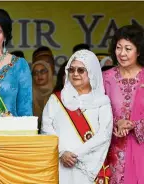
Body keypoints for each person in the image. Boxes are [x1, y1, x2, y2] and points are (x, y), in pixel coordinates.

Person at [42, 50, 113, 184]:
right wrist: (62, 152)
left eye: (81, 70)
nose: (75, 74)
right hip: (61, 164)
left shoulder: (102, 102)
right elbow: (46, 129)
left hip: (89, 167)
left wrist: (75, 155)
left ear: (91, 72)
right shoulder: (56, 99)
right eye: (71, 69)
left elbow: (104, 135)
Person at [103, 24, 144, 184]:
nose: (122, 53)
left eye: (128, 48)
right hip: (113, 153)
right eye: (118, 48)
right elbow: (95, 114)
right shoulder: (106, 78)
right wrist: (115, 123)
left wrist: (135, 125)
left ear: (138, 51)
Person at [31, 60, 54, 130]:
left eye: (43, 71)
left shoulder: (57, 94)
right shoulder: (27, 96)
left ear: (49, 73)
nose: (39, 75)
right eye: (35, 73)